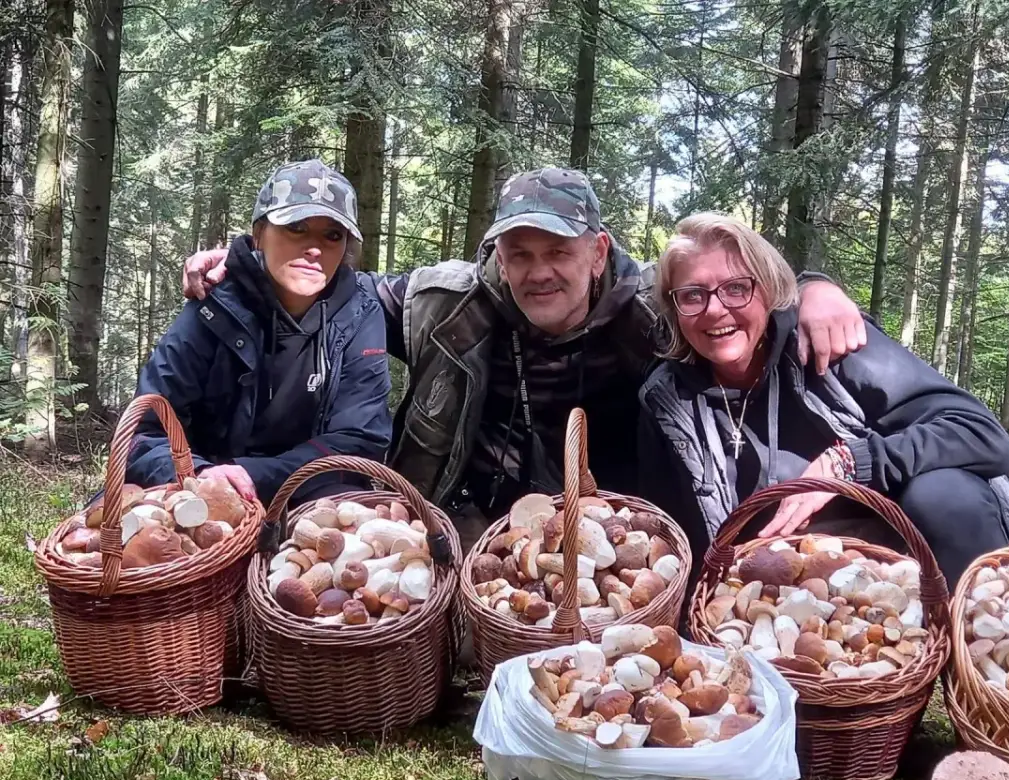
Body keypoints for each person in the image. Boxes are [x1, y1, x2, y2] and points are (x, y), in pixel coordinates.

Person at [181, 168, 866, 542]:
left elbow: (735, 301)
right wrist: (239, 266)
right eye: (520, 253)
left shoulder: (654, 309)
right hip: (464, 516)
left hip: (622, 528)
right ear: (497, 254)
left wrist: (812, 288)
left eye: (558, 252)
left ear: (597, 251)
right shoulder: (444, 302)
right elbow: (329, 281)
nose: (538, 272)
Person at [637, 213, 1009, 587]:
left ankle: (968, 633)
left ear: (768, 289)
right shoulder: (668, 401)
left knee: (944, 494)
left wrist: (847, 464)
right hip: (769, 593)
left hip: (901, 564)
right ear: (674, 309)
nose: (715, 309)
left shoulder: (833, 346)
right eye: (692, 295)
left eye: (737, 288)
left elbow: (982, 435)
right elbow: (669, 527)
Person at [127, 159, 391, 506]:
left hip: (309, 492)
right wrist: (203, 476)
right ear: (259, 234)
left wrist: (252, 475)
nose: (315, 248)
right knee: (116, 530)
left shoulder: (360, 316)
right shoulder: (212, 309)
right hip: (199, 488)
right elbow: (145, 433)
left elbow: (359, 439)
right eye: (296, 227)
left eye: (332, 235)